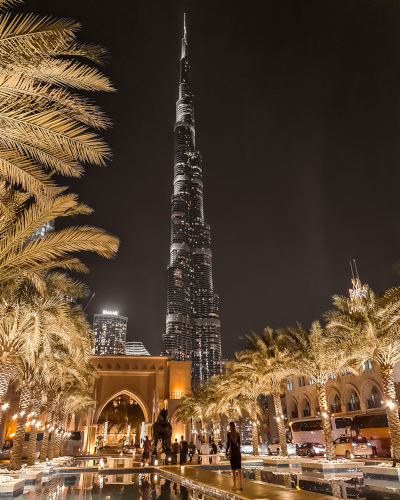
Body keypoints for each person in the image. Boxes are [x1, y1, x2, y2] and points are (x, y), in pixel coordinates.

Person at [226, 421, 242, 490]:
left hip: (232, 453)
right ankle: (241, 485)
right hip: (237, 453)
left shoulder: (228, 434)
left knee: (233, 470)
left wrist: (226, 452)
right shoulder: (238, 434)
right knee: (239, 470)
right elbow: (239, 445)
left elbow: (228, 444)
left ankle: (234, 486)